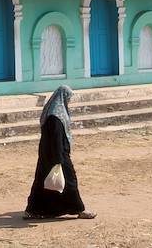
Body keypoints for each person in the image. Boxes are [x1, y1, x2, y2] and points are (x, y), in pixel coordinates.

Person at [23, 85, 96, 219]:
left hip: (47, 154)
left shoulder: (52, 112)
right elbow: (56, 138)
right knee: (70, 181)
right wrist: (59, 160)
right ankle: (79, 209)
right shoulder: (56, 117)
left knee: (41, 182)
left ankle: (32, 210)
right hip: (57, 155)